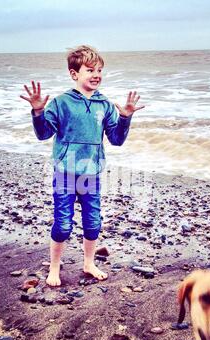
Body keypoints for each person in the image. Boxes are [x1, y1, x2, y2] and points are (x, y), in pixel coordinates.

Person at [20, 45, 144, 286]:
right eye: (90, 70)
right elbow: (43, 134)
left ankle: (89, 263)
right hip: (65, 172)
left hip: (91, 175)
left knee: (93, 222)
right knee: (64, 224)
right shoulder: (61, 103)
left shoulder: (105, 105)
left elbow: (116, 140)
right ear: (74, 74)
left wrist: (126, 117)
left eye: (99, 70)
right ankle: (54, 267)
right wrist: (37, 111)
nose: (96, 74)